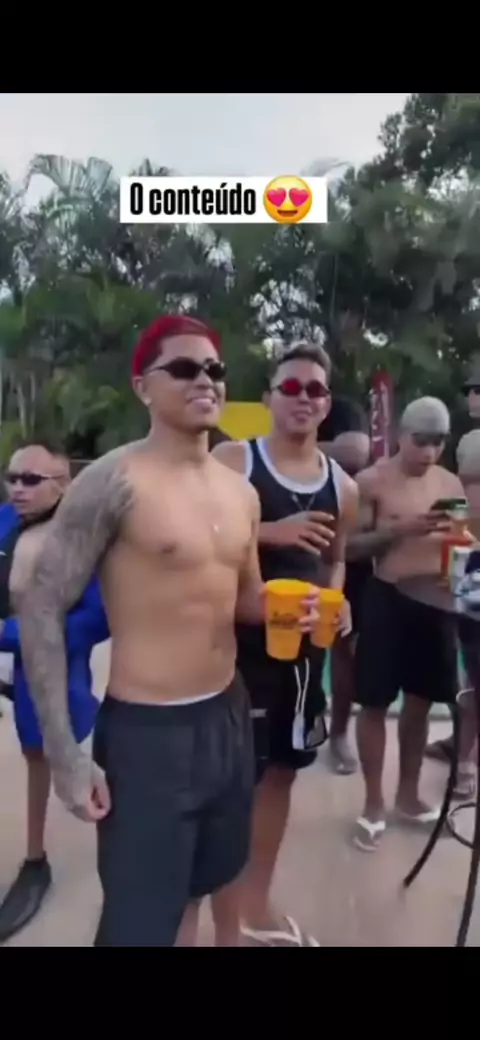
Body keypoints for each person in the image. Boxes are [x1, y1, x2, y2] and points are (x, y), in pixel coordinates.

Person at [18, 314, 319, 948]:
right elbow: (41, 604)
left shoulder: (240, 494)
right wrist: (66, 754)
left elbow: (246, 599)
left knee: (202, 883)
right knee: (136, 921)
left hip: (228, 717)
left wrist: (307, 608)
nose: (204, 379)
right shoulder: (113, 481)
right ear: (142, 388)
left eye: (214, 369)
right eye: (183, 368)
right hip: (148, 734)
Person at [213, 342, 358, 946]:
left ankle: (254, 902)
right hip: (231, 648)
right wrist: (272, 530)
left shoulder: (342, 486)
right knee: (230, 780)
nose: (303, 398)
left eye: (314, 390)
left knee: (281, 773)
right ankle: (219, 913)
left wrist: (339, 597)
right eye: (291, 387)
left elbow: (337, 559)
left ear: (327, 404)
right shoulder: (233, 460)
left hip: (302, 655)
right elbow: (203, 539)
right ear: (270, 397)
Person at [0, 441, 109, 943]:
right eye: (12, 477)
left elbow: (97, 618)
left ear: (62, 485)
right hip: (16, 656)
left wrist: (15, 636)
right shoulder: (5, 521)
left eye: (31, 480)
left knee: (46, 750)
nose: (18, 489)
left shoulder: (82, 537)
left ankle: (37, 856)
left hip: (49, 665)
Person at [348, 397, 466, 852]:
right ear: (401, 435)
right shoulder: (371, 481)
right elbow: (350, 547)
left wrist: (463, 562)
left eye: (439, 442)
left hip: (435, 602)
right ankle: (373, 802)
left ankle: (408, 795)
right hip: (388, 598)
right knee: (374, 702)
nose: (430, 452)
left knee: (420, 703)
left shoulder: (449, 482)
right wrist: (404, 529)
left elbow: (459, 541)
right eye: (421, 441)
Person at [321, 404, 372, 774]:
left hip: (351, 571)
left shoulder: (345, 414)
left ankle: (338, 733)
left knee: (346, 657)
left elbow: (356, 452)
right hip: (294, 563)